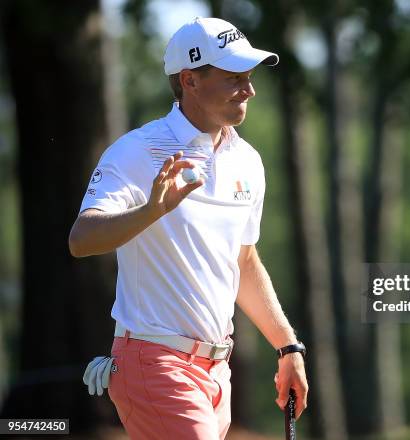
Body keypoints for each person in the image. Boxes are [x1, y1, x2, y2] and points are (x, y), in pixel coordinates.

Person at [69, 17, 308, 440]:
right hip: (155, 362)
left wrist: (287, 346)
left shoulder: (247, 159)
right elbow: (81, 239)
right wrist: (150, 212)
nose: (248, 90)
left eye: (249, 78)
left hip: (218, 372)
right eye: (234, 78)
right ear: (189, 80)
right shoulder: (138, 151)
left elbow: (244, 260)